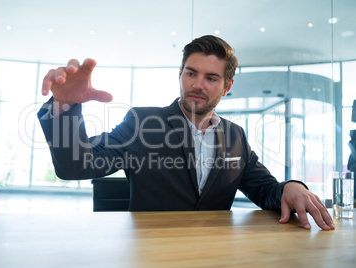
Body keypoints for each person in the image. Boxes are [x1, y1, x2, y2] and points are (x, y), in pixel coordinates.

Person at [38, 35, 335, 230]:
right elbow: (76, 165)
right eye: (191, 73)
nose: (197, 84)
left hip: (215, 257)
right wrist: (64, 106)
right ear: (180, 74)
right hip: (153, 256)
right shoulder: (142, 123)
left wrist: (291, 187)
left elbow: (265, 191)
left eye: (211, 77)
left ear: (227, 86)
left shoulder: (235, 138)